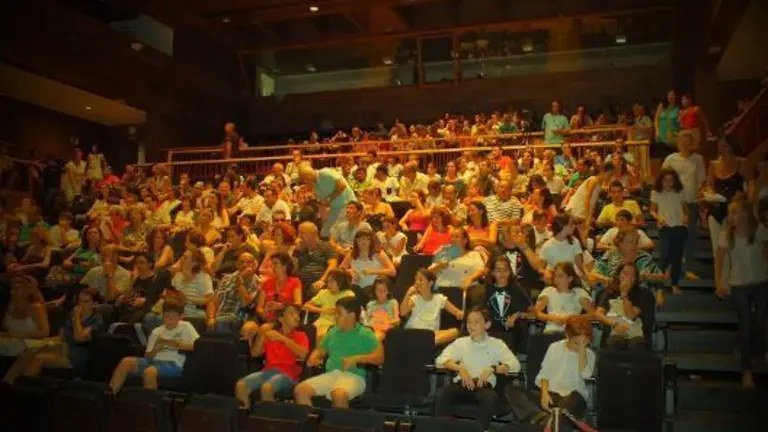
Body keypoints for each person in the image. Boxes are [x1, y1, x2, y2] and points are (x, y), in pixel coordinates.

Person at [434, 307, 521, 431]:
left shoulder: (497, 344)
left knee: (490, 398)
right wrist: (459, 368)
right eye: (469, 322)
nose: (471, 325)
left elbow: (515, 365)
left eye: (476, 322)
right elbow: (440, 360)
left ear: (487, 324)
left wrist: (494, 368)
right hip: (462, 385)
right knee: (441, 394)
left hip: (483, 387)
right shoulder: (461, 343)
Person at [714, 198, 768, 388]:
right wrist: (719, 283)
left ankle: (749, 347)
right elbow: (719, 260)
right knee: (746, 322)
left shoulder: (759, 231)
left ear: (745, 214)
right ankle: (747, 370)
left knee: (759, 322)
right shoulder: (726, 235)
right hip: (738, 284)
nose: (731, 216)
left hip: (760, 281)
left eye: (734, 212)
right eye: (730, 213)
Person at [294, 296, 384, 408]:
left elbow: (380, 357)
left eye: (339, 313)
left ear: (352, 315)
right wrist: (314, 356)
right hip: (331, 375)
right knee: (300, 390)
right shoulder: (332, 332)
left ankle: (341, 419)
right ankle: (313, 419)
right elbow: (320, 350)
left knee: (338, 395)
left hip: (354, 377)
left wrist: (357, 358)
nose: (335, 316)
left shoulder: (366, 334)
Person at [504, 317, 596, 423]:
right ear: (567, 336)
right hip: (551, 394)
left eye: (584, 342)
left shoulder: (589, 354)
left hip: (572, 397)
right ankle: (541, 417)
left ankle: (547, 420)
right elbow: (544, 374)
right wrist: (545, 395)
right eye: (576, 343)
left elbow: (585, 374)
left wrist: (582, 351)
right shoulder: (555, 347)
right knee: (511, 390)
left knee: (567, 407)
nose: (579, 346)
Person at [5, 287, 105, 383]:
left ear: (95, 304)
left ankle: (23, 386)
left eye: (85, 302)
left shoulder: (96, 319)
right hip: (62, 349)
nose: (81, 305)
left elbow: (79, 337)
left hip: (76, 357)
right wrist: (43, 342)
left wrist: (76, 318)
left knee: (40, 357)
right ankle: (7, 383)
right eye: (79, 301)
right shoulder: (72, 315)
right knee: (28, 352)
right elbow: (60, 337)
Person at [109, 298, 200, 394]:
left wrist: (176, 344)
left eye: (173, 316)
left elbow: (199, 346)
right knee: (126, 362)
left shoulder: (185, 326)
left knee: (149, 372)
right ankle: (110, 395)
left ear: (180, 316)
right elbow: (147, 357)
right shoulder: (157, 331)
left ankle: (149, 402)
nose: (170, 318)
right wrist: (156, 348)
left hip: (174, 363)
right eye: (167, 315)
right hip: (153, 361)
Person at [235, 304, 309, 407]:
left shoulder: (301, 335)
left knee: (267, 387)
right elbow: (255, 353)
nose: (296, 317)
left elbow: (303, 354)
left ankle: (269, 416)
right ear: (281, 319)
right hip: (268, 371)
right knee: (240, 386)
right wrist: (257, 335)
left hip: (289, 374)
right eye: (292, 314)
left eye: (297, 314)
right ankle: (246, 414)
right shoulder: (271, 334)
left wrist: (282, 339)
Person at [594, 263, 650, 350]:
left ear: (635, 279)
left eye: (631, 275)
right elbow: (598, 314)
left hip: (634, 331)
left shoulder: (641, 293)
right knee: (615, 342)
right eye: (625, 273)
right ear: (618, 275)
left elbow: (630, 315)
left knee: (636, 344)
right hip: (614, 329)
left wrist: (624, 294)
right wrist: (614, 324)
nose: (627, 277)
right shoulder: (609, 291)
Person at [484, 256, 534, 351]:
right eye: (498, 270)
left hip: (513, 335)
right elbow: (482, 312)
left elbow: (533, 312)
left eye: (505, 270)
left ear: (510, 271)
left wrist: (518, 315)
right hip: (492, 334)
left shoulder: (516, 289)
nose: (502, 273)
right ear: (492, 273)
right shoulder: (487, 289)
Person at [401, 269, 464, 346]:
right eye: (415, 280)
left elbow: (457, 312)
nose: (417, 282)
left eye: (420, 279)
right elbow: (403, 312)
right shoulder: (414, 298)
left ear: (430, 283)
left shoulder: (439, 298)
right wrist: (408, 293)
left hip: (431, 334)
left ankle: (427, 343)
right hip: (414, 331)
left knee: (454, 332)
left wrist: (460, 314)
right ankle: (427, 343)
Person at [650, 169, 689, 294]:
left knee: (677, 256)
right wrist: (658, 218)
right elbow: (652, 210)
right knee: (664, 253)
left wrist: (686, 216)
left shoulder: (680, 192)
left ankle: (674, 284)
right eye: (666, 180)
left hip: (679, 226)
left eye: (671, 180)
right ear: (661, 180)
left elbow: (685, 209)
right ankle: (659, 286)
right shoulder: (656, 192)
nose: (668, 182)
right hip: (665, 227)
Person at [532, 263, 593, 334]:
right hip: (552, 331)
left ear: (570, 279)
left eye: (560, 276)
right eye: (555, 276)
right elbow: (535, 312)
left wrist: (574, 318)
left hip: (573, 333)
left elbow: (593, 315)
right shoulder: (548, 291)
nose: (556, 279)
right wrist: (550, 318)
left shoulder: (580, 293)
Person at [299, 164, 356, 237]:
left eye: (305, 179)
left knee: (337, 234)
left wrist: (329, 197)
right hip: (336, 210)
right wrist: (313, 201)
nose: (305, 182)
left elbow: (342, 185)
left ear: (308, 176)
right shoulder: (315, 187)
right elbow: (326, 204)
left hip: (348, 206)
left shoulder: (324, 173)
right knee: (324, 233)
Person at [211, 252, 261, 333]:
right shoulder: (226, 279)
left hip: (239, 316)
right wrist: (211, 318)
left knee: (222, 322)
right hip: (220, 315)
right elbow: (213, 301)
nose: (245, 265)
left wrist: (241, 279)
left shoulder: (257, 282)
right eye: (242, 262)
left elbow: (245, 303)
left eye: (248, 262)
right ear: (237, 265)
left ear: (254, 265)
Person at [0, 275, 48, 359]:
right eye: (13, 288)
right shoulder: (7, 307)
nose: (13, 292)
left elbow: (45, 332)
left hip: (30, 345)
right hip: (10, 343)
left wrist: (18, 335)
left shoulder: (36, 308)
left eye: (18, 289)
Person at [257, 252, 302, 324]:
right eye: (272, 264)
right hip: (267, 319)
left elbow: (298, 304)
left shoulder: (295, 282)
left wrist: (281, 306)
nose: (272, 267)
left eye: (275, 264)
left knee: (266, 328)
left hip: (285, 320)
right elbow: (259, 308)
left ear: (285, 266)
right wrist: (264, 311)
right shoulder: (266, 283)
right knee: (248, 327)